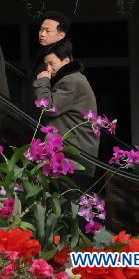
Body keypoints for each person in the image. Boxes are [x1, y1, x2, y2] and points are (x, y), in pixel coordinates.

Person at [32, 40, 99, 189]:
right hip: (75, 158)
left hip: (73, 160)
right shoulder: (74, 78)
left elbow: (47, 107)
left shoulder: (70, 81)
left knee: (66, 206)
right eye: (46, 64)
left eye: (51, 63)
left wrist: (43, 81)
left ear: (66, 61)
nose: (48, 69)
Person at [31, 11, 71, 75]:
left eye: (48, 31)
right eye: (41, 29)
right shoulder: (44, 51)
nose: (42, 34)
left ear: (61, 36)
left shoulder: (58, 54)